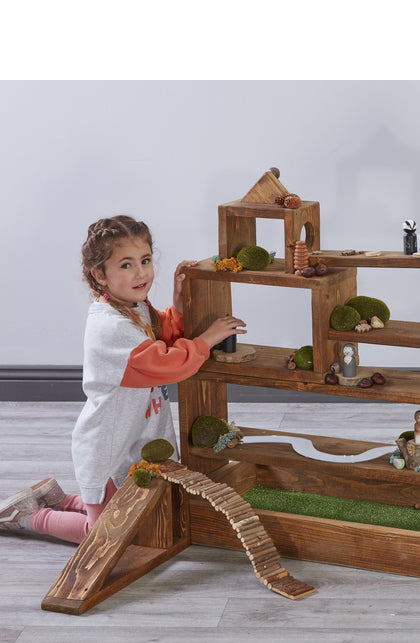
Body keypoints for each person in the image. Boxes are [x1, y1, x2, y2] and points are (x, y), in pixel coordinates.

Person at [0, 215, 246, 543]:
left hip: (134, 437)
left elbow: (161, 334)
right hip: (108, 447)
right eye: (126, 265)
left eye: (145, 260)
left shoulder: (133, 306)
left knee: (133, 515)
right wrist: (207, 340)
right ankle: (25, 517)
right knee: (106, 535)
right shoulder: (110, 328)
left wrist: (178, 301)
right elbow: (167, 364)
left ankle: (60, 500)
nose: (141, 272)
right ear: (100, 275)